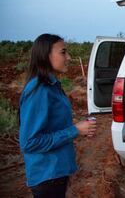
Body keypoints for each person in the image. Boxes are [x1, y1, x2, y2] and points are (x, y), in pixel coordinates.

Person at [19, 34, 97, 198]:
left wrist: (77, 128)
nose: (68, 57)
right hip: (47, 177)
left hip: (55, 174)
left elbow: (50, 125)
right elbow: (29, 142)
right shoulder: (39, 90)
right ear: (45, 56)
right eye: (63, 52)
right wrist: (74, 130)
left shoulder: (52, 85)